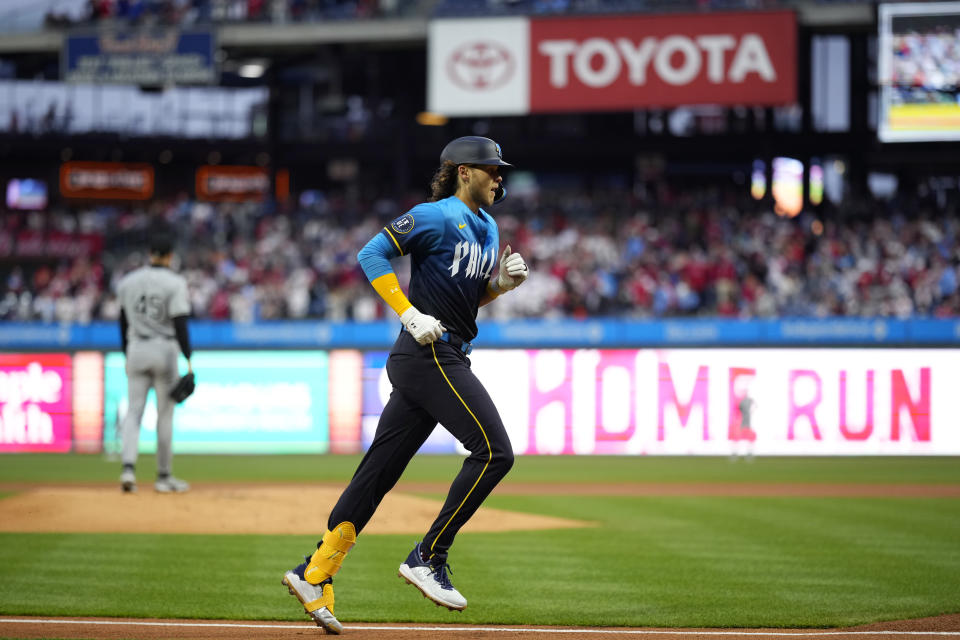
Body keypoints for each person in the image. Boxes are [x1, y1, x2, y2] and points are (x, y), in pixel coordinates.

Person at [281, 136, 528, 634]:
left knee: (378, 473)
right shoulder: (433, 215)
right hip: (427, 354)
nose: (500, 177)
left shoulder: (488, 226)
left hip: (445, 351)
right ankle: (427, 556)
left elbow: (467, 298)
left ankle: (314, 572)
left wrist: (499, 285)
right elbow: (372, 255)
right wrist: (409, 313)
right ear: (463, 172)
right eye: (491, 169)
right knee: (495, 452)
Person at [116, 231, 193, 494]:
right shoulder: (175, 282)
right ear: (170, 256)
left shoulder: (128, 282)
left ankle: (128, 470)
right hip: (165, 348)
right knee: (165, 415)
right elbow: (181, 322)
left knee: (133, 412)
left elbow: (122, 321)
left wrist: (128, 351)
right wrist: (189, 358)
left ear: (150, 254)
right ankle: (163, 476)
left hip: (136, 346)